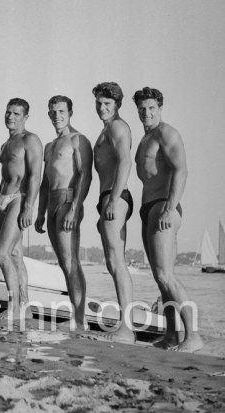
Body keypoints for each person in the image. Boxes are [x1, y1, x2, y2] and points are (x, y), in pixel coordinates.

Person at [133, 87, 203, 352]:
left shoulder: (166, 133)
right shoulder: (145, 138)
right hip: (149, 207)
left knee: (166, 275)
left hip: (165, 206)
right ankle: (173, 335)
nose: (146, 113)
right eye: (142, 108)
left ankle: (193, 336)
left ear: (160, 108)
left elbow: (181, 170)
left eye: (151, 108)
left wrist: (169, 208)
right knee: (159, 277)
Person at [34, 95, 92, 330]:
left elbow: (84, 175)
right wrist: (40, 212)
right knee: (63, 262)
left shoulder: (78, 140)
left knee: (71, 261)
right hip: (52, 203)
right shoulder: (49, 146)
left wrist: (75, 209)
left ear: (70, 112)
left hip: (69, 200)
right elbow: (45, 183)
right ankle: (75, 313)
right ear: (49, 114)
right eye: (53, 112)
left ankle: (80, 319)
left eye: (61, 111)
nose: (57, 115)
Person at [92, 82, 135, 343]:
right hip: (108, 197)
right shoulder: (106, 129)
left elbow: (125, 161)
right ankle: (125, 325)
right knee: (111, 262)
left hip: (115, 197)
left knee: (117, 262)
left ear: (117, 105)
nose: (102, 108)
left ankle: (126, 329)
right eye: (98, 103)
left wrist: (113, 200)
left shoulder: (118, 127)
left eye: (107, 104)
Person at [0, 98, 43, 320]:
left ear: (25, 117)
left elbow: (34, 176)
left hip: (19, 198)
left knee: (2, 253)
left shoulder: (30, 140)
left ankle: (13, 306)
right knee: (14, 254)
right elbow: (3, 177)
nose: (10, 117)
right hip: (3, 199)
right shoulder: (5, 144)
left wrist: (29, 207)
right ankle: (25, 305)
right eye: (8, 113)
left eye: (16, 114)